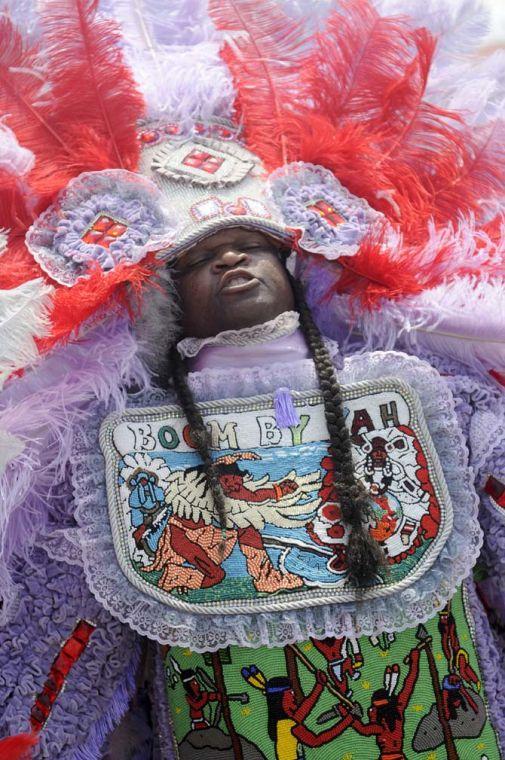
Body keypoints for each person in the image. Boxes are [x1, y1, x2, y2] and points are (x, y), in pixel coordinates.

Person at [0, 0, 503, 758]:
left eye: (251, 246)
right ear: (166, 300)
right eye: (202, 257)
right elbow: (61, 654)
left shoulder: (426, 400)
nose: (231, 261)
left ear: (295, 268)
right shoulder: (114, 450)